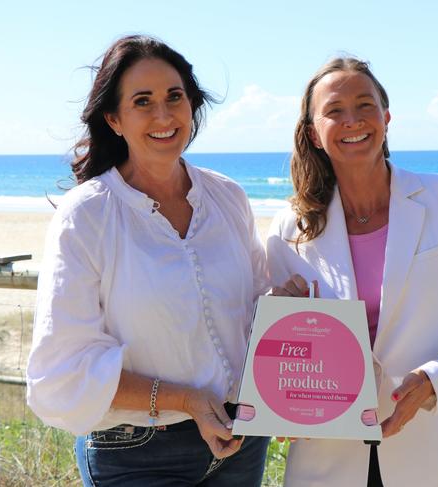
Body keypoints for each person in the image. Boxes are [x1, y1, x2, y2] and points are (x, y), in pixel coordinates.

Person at [26, 35, 270, 486]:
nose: (163, 115)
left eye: (174, 96)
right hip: (138, 453)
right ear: (114, 119)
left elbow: (257, 308)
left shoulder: (228, 197)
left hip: (242, 440)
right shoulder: (88, 216)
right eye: (143, 101)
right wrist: (186, 399)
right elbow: (61, 368)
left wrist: (291, 311)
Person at [267, 57, 438, 486]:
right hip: (328, 460)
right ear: (313, 133)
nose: (353, 120)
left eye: (365, 105)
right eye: (334, 110)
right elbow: (282, 351)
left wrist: (433, 382)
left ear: (386, 117)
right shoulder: (289, 229)